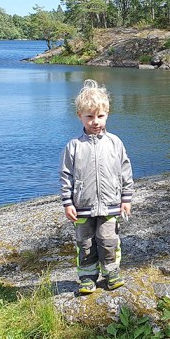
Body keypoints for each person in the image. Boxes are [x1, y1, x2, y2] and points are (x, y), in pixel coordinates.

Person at [60, 79, 134, 294]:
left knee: (108, 240)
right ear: (79, 116)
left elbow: (125, 171)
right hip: (82, 206)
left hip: (110, 205)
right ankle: (87, 277)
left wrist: (126, 199)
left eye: (100, 116)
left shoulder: (115, 143)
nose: (95, 121)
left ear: (107, 114)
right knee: (85, 243)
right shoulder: (73, 146)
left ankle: (111, 273)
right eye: (89, 116)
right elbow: (66, 176)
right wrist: (67, 203)